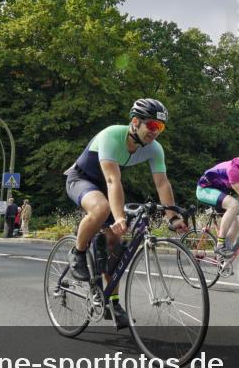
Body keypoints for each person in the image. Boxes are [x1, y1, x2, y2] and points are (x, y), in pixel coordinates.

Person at [63, 98, 188, 329]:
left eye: (160, 128)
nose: (155, 132)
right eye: (151, 126)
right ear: (135, 122)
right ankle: (77, 252)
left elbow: (162, 183)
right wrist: (119, 217)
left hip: (106, 187)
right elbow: (112, 179)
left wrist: (172, 216)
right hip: (81, 179)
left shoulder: (154, 149)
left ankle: (112, 302)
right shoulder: (112, 135)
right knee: (101, 208)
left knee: (115, 244)